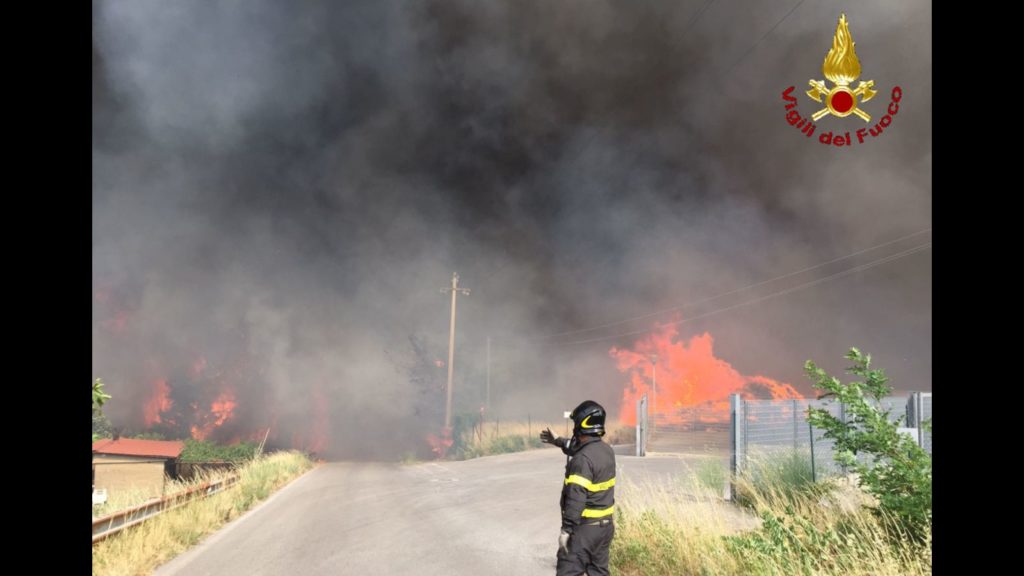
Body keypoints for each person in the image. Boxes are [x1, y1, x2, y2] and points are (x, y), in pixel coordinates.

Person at [540, 400, 616, 576]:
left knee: (568, 570)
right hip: (604, 529)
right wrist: (558, 441)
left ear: (581, 425)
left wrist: (566, 530)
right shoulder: (606, 451)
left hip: (584, 531)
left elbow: (576, 498)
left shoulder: (582, 460)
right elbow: (580, 448)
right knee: (599, 572)